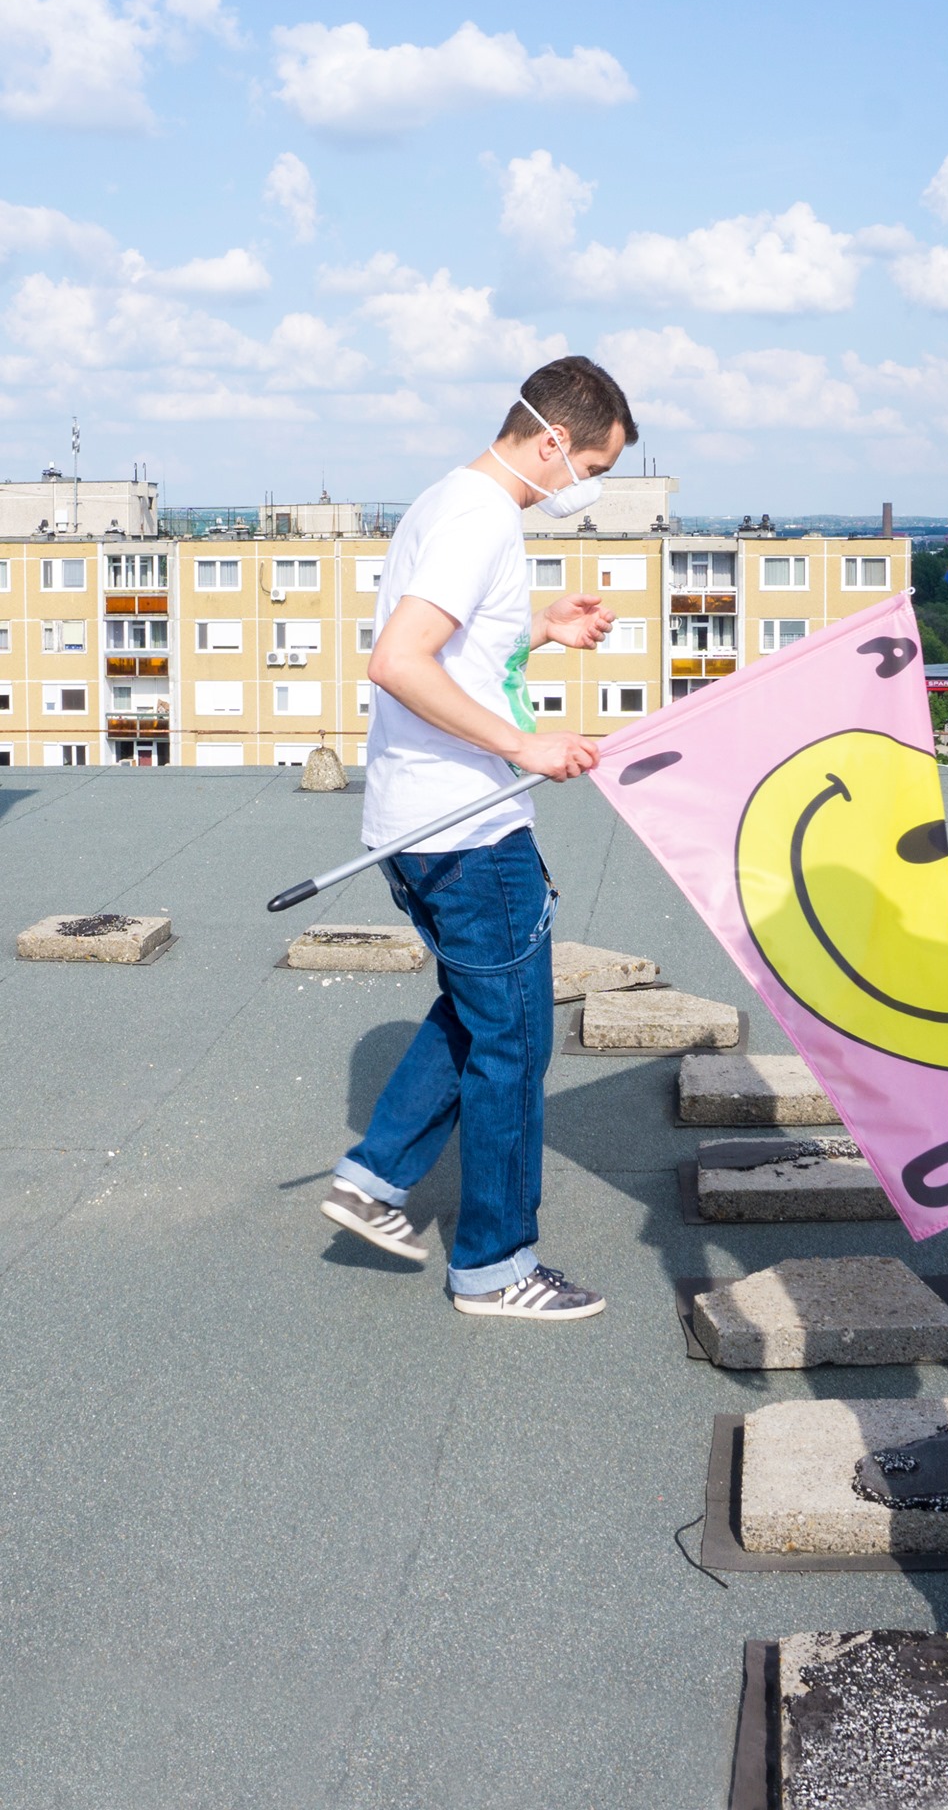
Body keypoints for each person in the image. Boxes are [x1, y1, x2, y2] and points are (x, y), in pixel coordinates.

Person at [319, 355, 634, 1322]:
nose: (586, 489)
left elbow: (454, 649)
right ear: (553, 442)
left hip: (422, 823)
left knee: (478, 1012)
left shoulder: (446, 501)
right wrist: (522, 746)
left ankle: (374, 1179)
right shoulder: (482, 518)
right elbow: (398, 661)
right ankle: (496, 1269)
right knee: (516, 1041)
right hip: (468, 829)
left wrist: (537, 630)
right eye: (592, 469)